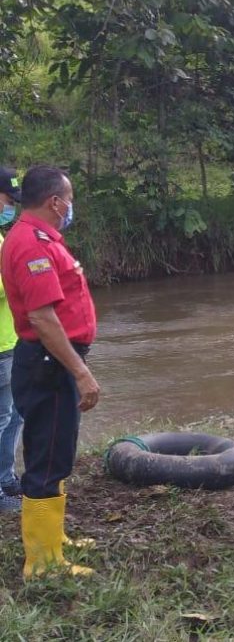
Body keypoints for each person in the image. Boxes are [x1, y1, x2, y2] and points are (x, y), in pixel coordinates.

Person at [0, 165, 101, 577]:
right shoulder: (30, 245)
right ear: (55, 202)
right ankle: (42, 564)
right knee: (46, 458)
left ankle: (52, 539)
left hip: (50, 361)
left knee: (56, 451)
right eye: (70, 200)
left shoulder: (37, 238)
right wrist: (80, 372)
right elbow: (43, 319)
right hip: (50, 363)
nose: (70, 208)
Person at [0, 168, 23, 514]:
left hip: (11, 342)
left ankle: (5, 475)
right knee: (2, 417)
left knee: (16, 414)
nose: (10, 209)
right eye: (7, 201)